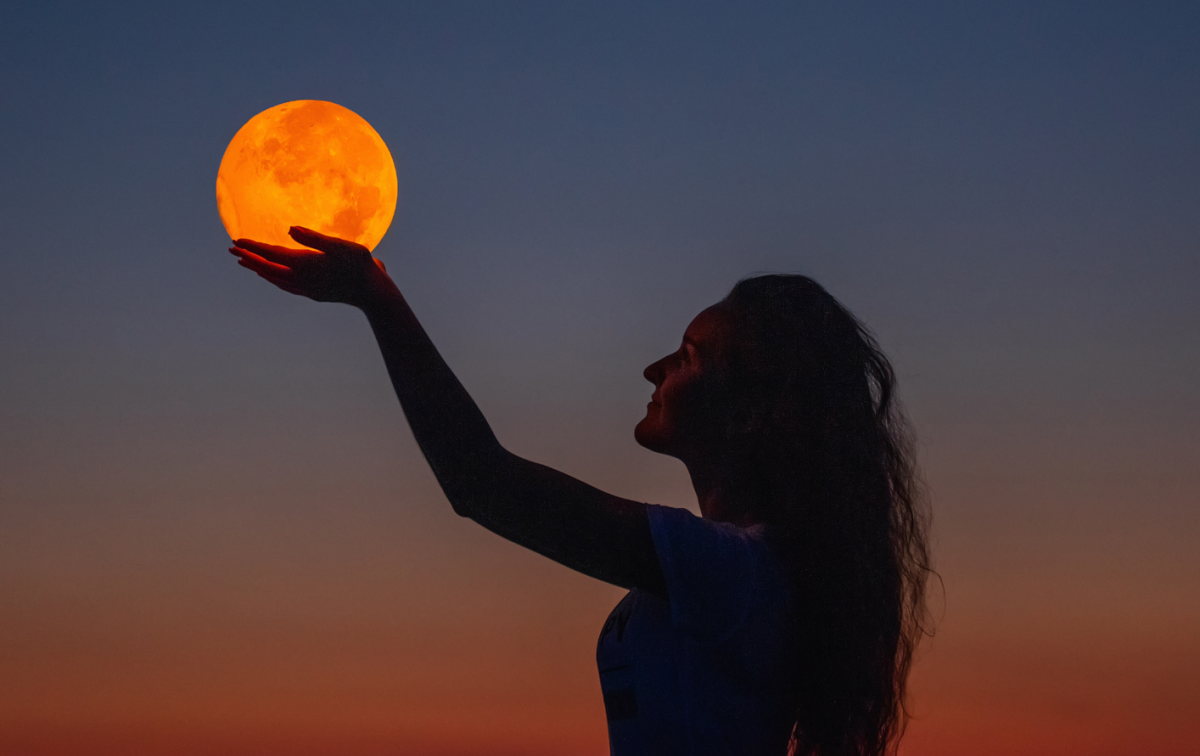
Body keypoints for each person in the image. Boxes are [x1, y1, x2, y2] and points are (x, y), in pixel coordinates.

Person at [229, 227, 933, 756]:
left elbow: (482, 481)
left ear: (751, 411)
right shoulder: (729, 570)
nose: (653, 368)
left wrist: (377, 298)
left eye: (687, 357)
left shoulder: (734, 572)